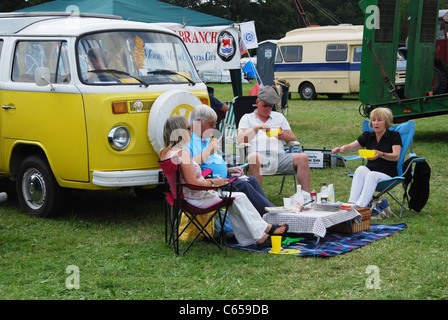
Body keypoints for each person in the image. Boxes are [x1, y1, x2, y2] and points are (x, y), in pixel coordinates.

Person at [159, 116, 288, 247]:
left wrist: (214, 179)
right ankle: (262, 233)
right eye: (188, 128)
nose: (191, 130)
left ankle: (262, 232)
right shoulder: (182, 153)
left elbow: (186, 179)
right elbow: (193, 183)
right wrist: (215, 183)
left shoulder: (165, 153)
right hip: (196, 198)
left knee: (237, 198)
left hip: (185, 196)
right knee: (239, 197)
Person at [188, 104, 276, 216]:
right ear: (198, 122)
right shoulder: (189, 140)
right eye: (211, 124)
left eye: (215, 123)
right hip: (213, 184)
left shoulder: (204, 138)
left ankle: (268, 211)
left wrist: (229, 170)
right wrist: (209, 151)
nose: (214, 127)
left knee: (251, 180)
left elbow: (209, 162)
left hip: (223, 179)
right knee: (243, 185)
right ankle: (270, 214)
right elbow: (191, 165)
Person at [237, 85, 311, 192]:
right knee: (255, 157)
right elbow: (240, 140)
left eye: (270, 106)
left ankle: (306, 196)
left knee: (302, 157)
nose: (268, 109)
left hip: (279, 156)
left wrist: (283, 136)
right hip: (257, 155)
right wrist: (256, 129)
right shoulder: (247, 118)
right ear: (257, 103)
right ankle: (257, 197)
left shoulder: (279, 117)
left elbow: (293, 138)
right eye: (265, 105)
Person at [331, 107, 402, 207]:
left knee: (372, 175)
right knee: (360, 169)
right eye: (373, 120)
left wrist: (381, 154)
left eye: (379, 120)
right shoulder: (368, 136)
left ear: (386, 122)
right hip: (371, 172)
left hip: (387, 174)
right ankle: (351, 204)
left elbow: (396, 156)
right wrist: (342, 149)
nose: (376, 123)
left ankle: (360, 207)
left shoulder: (394, 136)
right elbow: (351, 147)